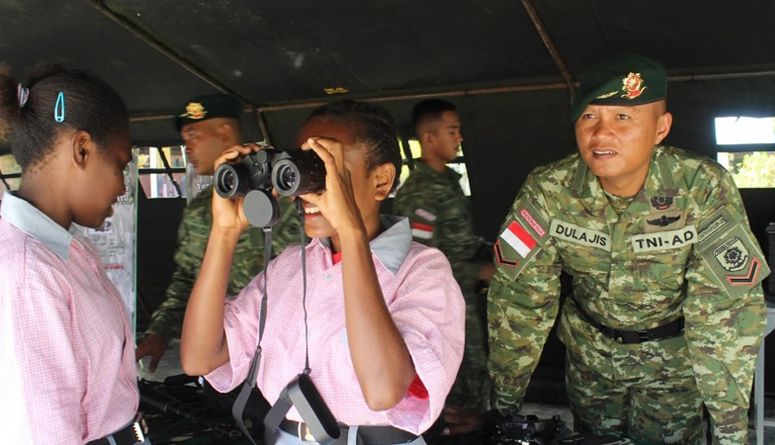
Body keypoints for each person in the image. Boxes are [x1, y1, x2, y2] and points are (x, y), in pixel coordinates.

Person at [487, 54, 769, 444]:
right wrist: (503, 407)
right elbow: (520, 299)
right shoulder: (549, 190)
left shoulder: (701, 187)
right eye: (589, 117)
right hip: (591, 364)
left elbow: (725, 308)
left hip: (672, 371)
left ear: (660, 127)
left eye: (622, 117)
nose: (601, 134)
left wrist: (730, 433)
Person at [180, 100, 465, 444]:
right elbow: (200, 358)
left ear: (381, 180)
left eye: (327, 169)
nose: (306, 189)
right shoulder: (289, 265)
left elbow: (382, 391)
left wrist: (352, 233)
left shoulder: (423, 271)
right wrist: (223, 232)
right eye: (300, 169)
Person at [0, 64, 146, 444]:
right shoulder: (29, 273)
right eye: (121, 165)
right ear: (82, 149)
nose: (121, 187)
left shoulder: (65, 252)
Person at [136, 94, 303, 371]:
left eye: (193, 135)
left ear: (224, 133)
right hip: (223, 356)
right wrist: (160, 331)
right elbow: (188, 277)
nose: (186, 147)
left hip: (287, 351)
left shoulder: (285, 193)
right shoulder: (202, 210)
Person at [393, 99, 494, 434]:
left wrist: (493, 253)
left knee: (476, 371)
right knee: (461, 374)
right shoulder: (419, 193)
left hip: (463, 295)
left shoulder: (449, 181)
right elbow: (421, 260)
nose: (459, 138)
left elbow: (459, 239)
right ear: (429, 137)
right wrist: (477, 272)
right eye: (452, 131)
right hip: (442, 306)